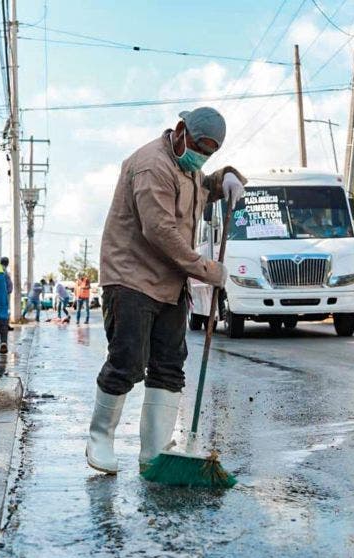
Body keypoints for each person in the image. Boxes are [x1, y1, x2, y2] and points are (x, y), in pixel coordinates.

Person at [85, 107, 246, 475]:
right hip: (131, 279)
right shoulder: (151, 165)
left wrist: (228, 178)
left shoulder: (188, 167)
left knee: (170, 366)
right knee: (127, 361)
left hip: (171, 283)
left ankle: (154, 453)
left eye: (210, 152)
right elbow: (159, 232)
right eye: (199, 147)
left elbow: (204, 187)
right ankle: (100, 438)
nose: (201, 157)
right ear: (179, 131)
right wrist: (208, 270)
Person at [0, 257, 14, 330]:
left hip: (5, 292)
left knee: (2, 309)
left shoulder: (3, 269)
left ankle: (3, 325)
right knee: (5, 309)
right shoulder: (3, 269)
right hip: (4, 293)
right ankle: (4, 325)